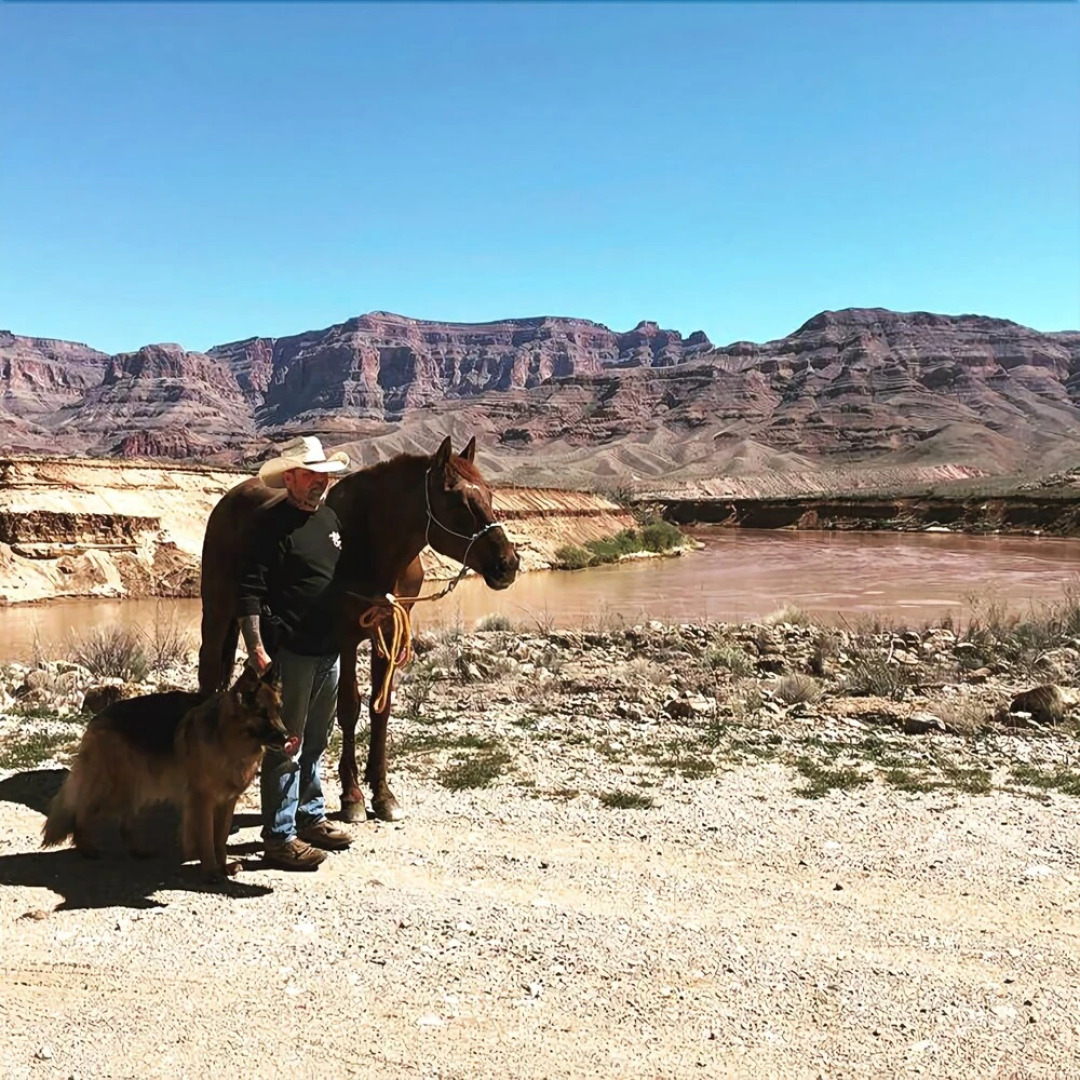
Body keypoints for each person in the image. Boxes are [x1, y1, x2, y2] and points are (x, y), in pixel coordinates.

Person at [237, 435, 355, 871]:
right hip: (290, 654)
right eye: (312, 476)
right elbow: (248, 591)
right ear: (290, 477)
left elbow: (337, 579)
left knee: (318, 739)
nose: (320, 484)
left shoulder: (329, 519)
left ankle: (309, 816)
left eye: (324, 476)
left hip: (329, 650)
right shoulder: (269, 524)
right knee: (287, 743)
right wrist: (257, 649)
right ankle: (280, 837)